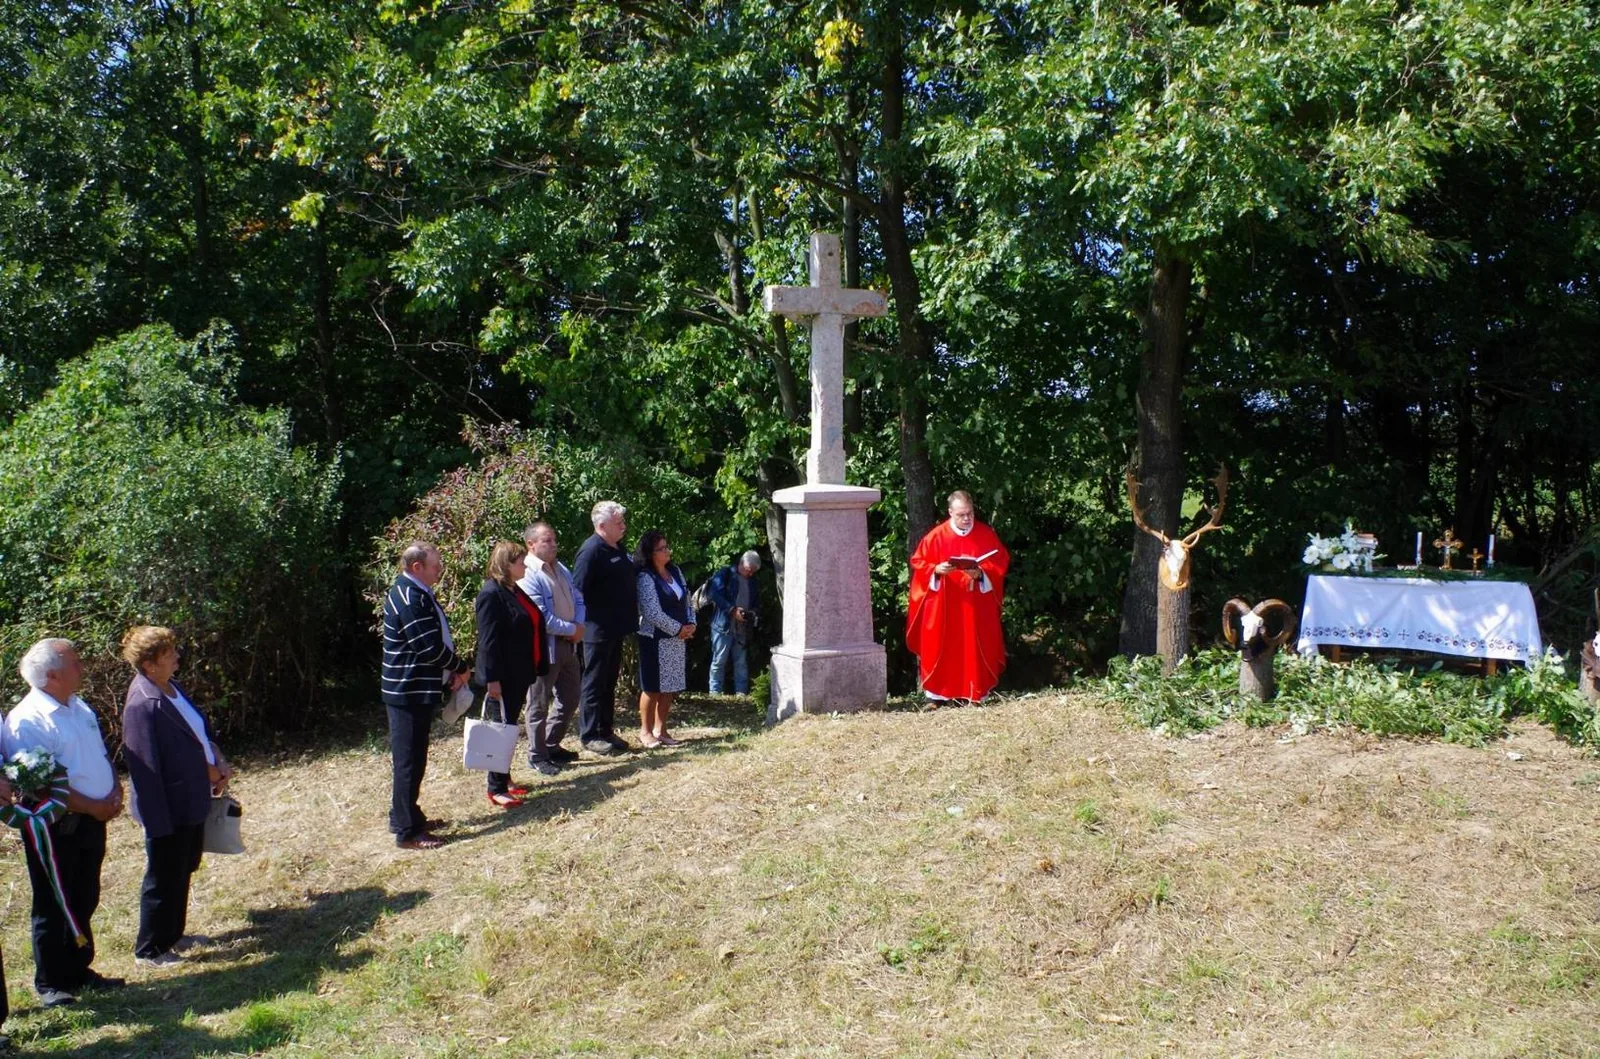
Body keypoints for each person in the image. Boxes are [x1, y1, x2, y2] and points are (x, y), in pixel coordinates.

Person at [2, 638, 126, 1007]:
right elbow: (40, 784)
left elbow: (98, 753)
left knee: (85, 895)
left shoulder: (78, 706)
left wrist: (114, 787)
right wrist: (93, 805)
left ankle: (78, 969)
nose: (81, 667)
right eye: (75, 662)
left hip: (92, 819)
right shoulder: (28, 720)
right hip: (56, 825)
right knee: (54, 900)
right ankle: (51, 982)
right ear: (52, 675)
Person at [119, 626, 235, 967]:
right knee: (163, 875)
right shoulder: (142, 703)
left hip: (191, 798)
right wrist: (157, 821)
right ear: (149, 664)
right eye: (169, 654)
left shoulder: (171, 687)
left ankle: (173, 934)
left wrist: (218, 761)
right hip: (167, 806)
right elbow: (145, 768)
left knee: (183, 868)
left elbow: (198, 733)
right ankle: (150, 949)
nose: (177, 657)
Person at [382, 542, 470, 849]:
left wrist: (450, 673)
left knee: (413, 758)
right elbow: (428, 648)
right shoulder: (409, 597)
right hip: (408, 690)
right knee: (409, 761)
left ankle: (405, 816)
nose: (440, 570)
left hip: (416, 688)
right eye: (436, 565)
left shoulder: (417, 592)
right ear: (417, 567)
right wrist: (460, 667)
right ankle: (408, 832)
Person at [906, 491, 1012, 702]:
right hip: (943, 605)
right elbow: (918, 562)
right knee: (941, 646)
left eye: (970, 513)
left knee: (974, 646)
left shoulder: (985, 534)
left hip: (975, 604)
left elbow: (1000, 561)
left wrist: (981, 573)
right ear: (950, 512)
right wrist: (936, 569)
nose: (966, 518)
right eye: (961, 514)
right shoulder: (936, 536)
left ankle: (975, 693)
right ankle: (937, 697)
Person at [474, 540, 548, 806]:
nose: (525, 566)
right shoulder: (491, 594)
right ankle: (495, 788)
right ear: (506, 565)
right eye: (520, 562)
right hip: (503, 676)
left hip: (519, 672)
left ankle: (504, 778)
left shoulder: (513, 590)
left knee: (508, 726)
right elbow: (488, 641)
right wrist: (492, 679)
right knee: (500, 729)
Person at [520, 521, 585, 773]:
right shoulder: (528, 573)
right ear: (531, 544)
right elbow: (540, 617)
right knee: (538, 703)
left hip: (568, 645)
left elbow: (578, 598)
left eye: (554, 540)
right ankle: (537, 756)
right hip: (544, 648)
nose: (554, 545)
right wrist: (572, 629)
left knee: (571, 696)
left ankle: (550, 744)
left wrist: (579, 625)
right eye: (547, 541)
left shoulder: (561, 568)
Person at [572, 500, 637, 756]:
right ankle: (589, 735)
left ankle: (605, 730)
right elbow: (578, 591)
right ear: (602, 526)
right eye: (618, 523)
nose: (623, 526)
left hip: (616, 627)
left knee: (609, 682)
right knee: (594, 683)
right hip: (596, 630)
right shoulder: (591, 551)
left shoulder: (617, 546)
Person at [634, 530, 695, 747]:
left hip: (677, 638)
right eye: (662, 548)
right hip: (655, 639)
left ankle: (661, 730)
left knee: (670, 686)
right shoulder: (645, 577)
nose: (668, 551)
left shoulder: (675, 571)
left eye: (667, 546)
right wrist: (678, 629)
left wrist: (691, 623)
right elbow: (651, 612)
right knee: (652, 687)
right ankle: (645, 731)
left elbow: (687, 599)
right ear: (651, 553)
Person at [707, 551, 762, 695]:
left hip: (742, 628)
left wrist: (752, 613)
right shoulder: (725, 574)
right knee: (719, 660)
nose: (750, 573)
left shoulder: (753, 582)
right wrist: (732, 610)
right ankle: (715, 692)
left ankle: (741, 693)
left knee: (741, 662)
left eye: (753, 571)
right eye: (748, 570)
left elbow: (757, 604)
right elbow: (715, 594)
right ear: (741, 563)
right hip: (722, 626)